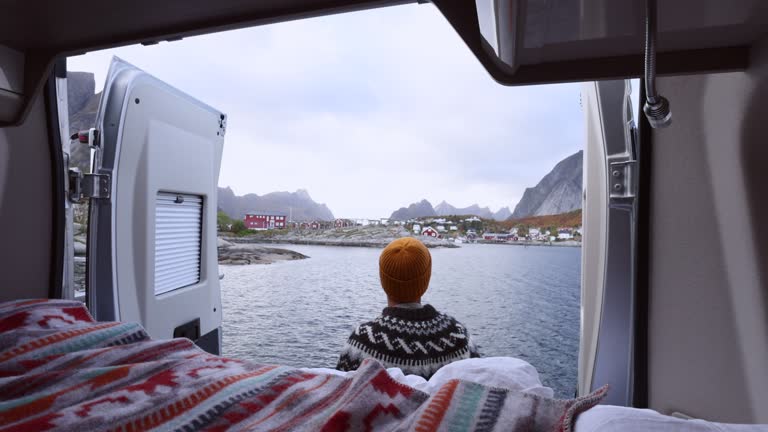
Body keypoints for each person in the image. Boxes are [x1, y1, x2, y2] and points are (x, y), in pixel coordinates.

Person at [336, 237, 480, 379]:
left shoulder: (361, 341)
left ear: (383, 280)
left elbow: (340, 396)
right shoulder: (459, 336)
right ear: (426, 278)